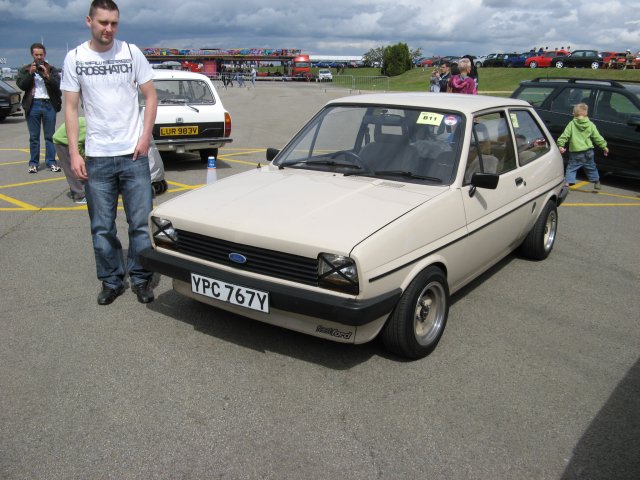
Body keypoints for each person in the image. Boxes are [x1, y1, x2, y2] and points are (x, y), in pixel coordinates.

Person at [61, 0, 158, 306]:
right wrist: (76, 153)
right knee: (102, 226)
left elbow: (151, 96)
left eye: (114, 23)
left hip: (133, 155)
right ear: (89, 20)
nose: (109, 29)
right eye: (103, 22)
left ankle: (141, 279)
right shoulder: (75, 57)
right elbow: (71, 107)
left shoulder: (131, 52)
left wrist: (145, 138)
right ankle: (112, 280)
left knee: (140, 223)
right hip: (98, 156)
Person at [15, 43, 62, 174]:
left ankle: (51, 162)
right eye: (37, 55)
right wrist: (30, 74)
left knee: (50, 136)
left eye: (41, 54)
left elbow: (58, 85)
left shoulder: (51, 69)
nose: (39, 57)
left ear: (45, 54)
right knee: (34, 137)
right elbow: (22, 86)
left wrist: (47, 75)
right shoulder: (25, 69)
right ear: (32, 55)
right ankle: (33, 163)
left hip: (49, 104)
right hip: (33, 104)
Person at [557, 103, 608, 190]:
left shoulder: (572, 124)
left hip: (576, 152)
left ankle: (567, 183)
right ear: (586, 113)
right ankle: (596, 181)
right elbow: (597, 137)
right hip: (588, 152)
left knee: (571, 168)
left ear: (573, 113)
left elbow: (565, 135)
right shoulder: (591, 124)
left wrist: (561, 145)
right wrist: (604, 146)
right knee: (591, 167)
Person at [53, 118, 87, 204]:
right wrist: (82, 156)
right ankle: (79, 195)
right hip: (63, 142)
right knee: (73, 169)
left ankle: (75, 190)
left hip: (65, 139)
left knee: (76, 168)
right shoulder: (88, 128)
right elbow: (78, 143)